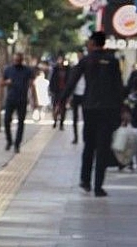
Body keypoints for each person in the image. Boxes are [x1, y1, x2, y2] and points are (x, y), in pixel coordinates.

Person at [62, 31, 124, 197]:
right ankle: (98, 187)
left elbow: (72, 81)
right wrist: (123, 109)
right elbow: (119, 87)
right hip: (107, 109)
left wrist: (61, 101)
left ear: (92, 43)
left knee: (89, 145)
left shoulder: (86, 60)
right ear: (103, 43)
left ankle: (85, 179)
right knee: (103, 147)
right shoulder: (112, 61)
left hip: (89, 108)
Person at [0, 52, 36, 153]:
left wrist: (34, 100)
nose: (17, 61)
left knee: (21, 123)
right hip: (10, 99)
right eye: (15, 60)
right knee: (7, 120)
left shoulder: (27, 70)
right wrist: (7, 82)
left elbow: (32, 85)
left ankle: (17, 144)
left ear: (22, 60)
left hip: (22, 100)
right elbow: (1, 83)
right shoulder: (8, 69)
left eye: (19, 60)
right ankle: (9, 140)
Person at [70, 50, 86, 144]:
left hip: (85, 95)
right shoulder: (74, 69)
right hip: (76, 95)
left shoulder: (88, 68)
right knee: (75, 117)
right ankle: (75, 137)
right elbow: (70, 83)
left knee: (85, 117)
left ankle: (84, 137)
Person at [49, 55, 69, 130]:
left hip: (64, 91)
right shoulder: (55, 70)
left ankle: (61, 123)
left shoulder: (67, 70)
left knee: (63, 108)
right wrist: (51, 90)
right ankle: (55, 120)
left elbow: (69, 81)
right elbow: (52, 80)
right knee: (55, 107)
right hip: (56, 91)